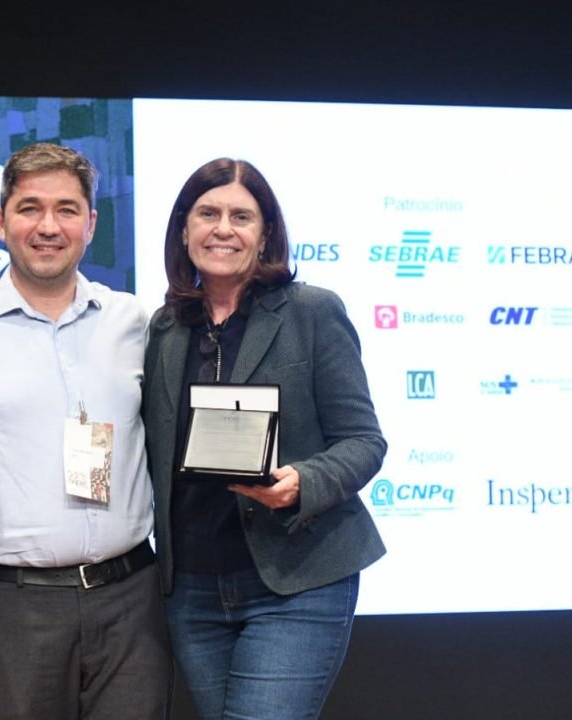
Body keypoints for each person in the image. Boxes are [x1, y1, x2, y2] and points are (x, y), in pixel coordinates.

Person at [142, 158, 386, 720]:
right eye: (207, 213)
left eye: (241, 216)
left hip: (296, 576)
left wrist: (304, 482)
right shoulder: (165, 328)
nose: (222, 228)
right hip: (193, 589)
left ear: (266, 233)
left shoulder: (312, 312)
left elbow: (363, 440)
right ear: (184, 229)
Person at [0, 143, 173, 720]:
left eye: (67, 209)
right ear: (0, 221)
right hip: (14, 604)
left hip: (130, 600)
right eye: (29, 208)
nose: (49, 226)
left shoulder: (135, 322)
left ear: (91, 224)